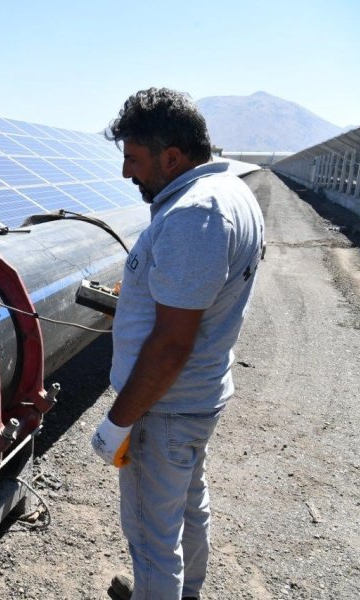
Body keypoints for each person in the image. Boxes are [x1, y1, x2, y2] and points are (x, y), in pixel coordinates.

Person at [90, 88, 264, 600]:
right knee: (187, 507)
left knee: (152, 539)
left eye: (133, 158)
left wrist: (119, 421)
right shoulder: (229, 193)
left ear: (171, 157)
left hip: (163, 409)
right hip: (193, 399)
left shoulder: (195, 216)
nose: (126, 171)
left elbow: (170, 345)